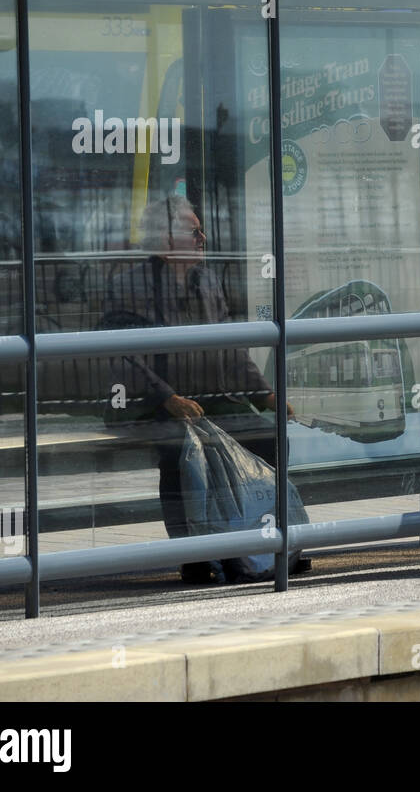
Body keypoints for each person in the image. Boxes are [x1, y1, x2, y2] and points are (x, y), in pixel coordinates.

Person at [105, 194, 292, 583]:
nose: (203, 237)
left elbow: (231, 348)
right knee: (180, 456)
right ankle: (193, 555)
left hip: (211, 399)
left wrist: (264, 394)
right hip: (157, 403)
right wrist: (167, 398)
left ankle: (263, 547)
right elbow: (124, 354)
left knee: (264, 437)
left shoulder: (206, 280)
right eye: (194, 231)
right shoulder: (130, 283)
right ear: (166, 239)